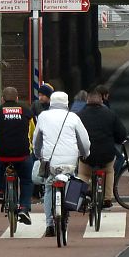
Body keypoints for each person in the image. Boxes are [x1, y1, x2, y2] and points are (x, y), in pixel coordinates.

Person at [32, 90, 90, 238]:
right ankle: (67, 209)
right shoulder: (73, 117)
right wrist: (85, 153)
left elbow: (36, 141)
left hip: (50, 161)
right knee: (71, 180)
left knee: (49, 188)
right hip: (69, 161)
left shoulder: (43, 116)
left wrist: (38, 154)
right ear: (66, 103)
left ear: (51, 102)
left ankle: (49, 224)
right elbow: (83, 140)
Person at [0, 86, 36, 224]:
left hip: (2, 155)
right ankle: (24, 207)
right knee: (26, 180)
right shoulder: (27, 112)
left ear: (2, 99)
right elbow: (33, 134)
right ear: (17, 98)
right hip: (22, 155)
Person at [77, 87, 126, 209]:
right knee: (109, 171)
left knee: (83, 173)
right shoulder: (110, 114)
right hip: (106, 154)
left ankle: (83, 196)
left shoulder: (79, 116)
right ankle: (107, 199)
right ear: (101, 101)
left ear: (87, 101)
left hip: (86, 154)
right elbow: (121, 134)